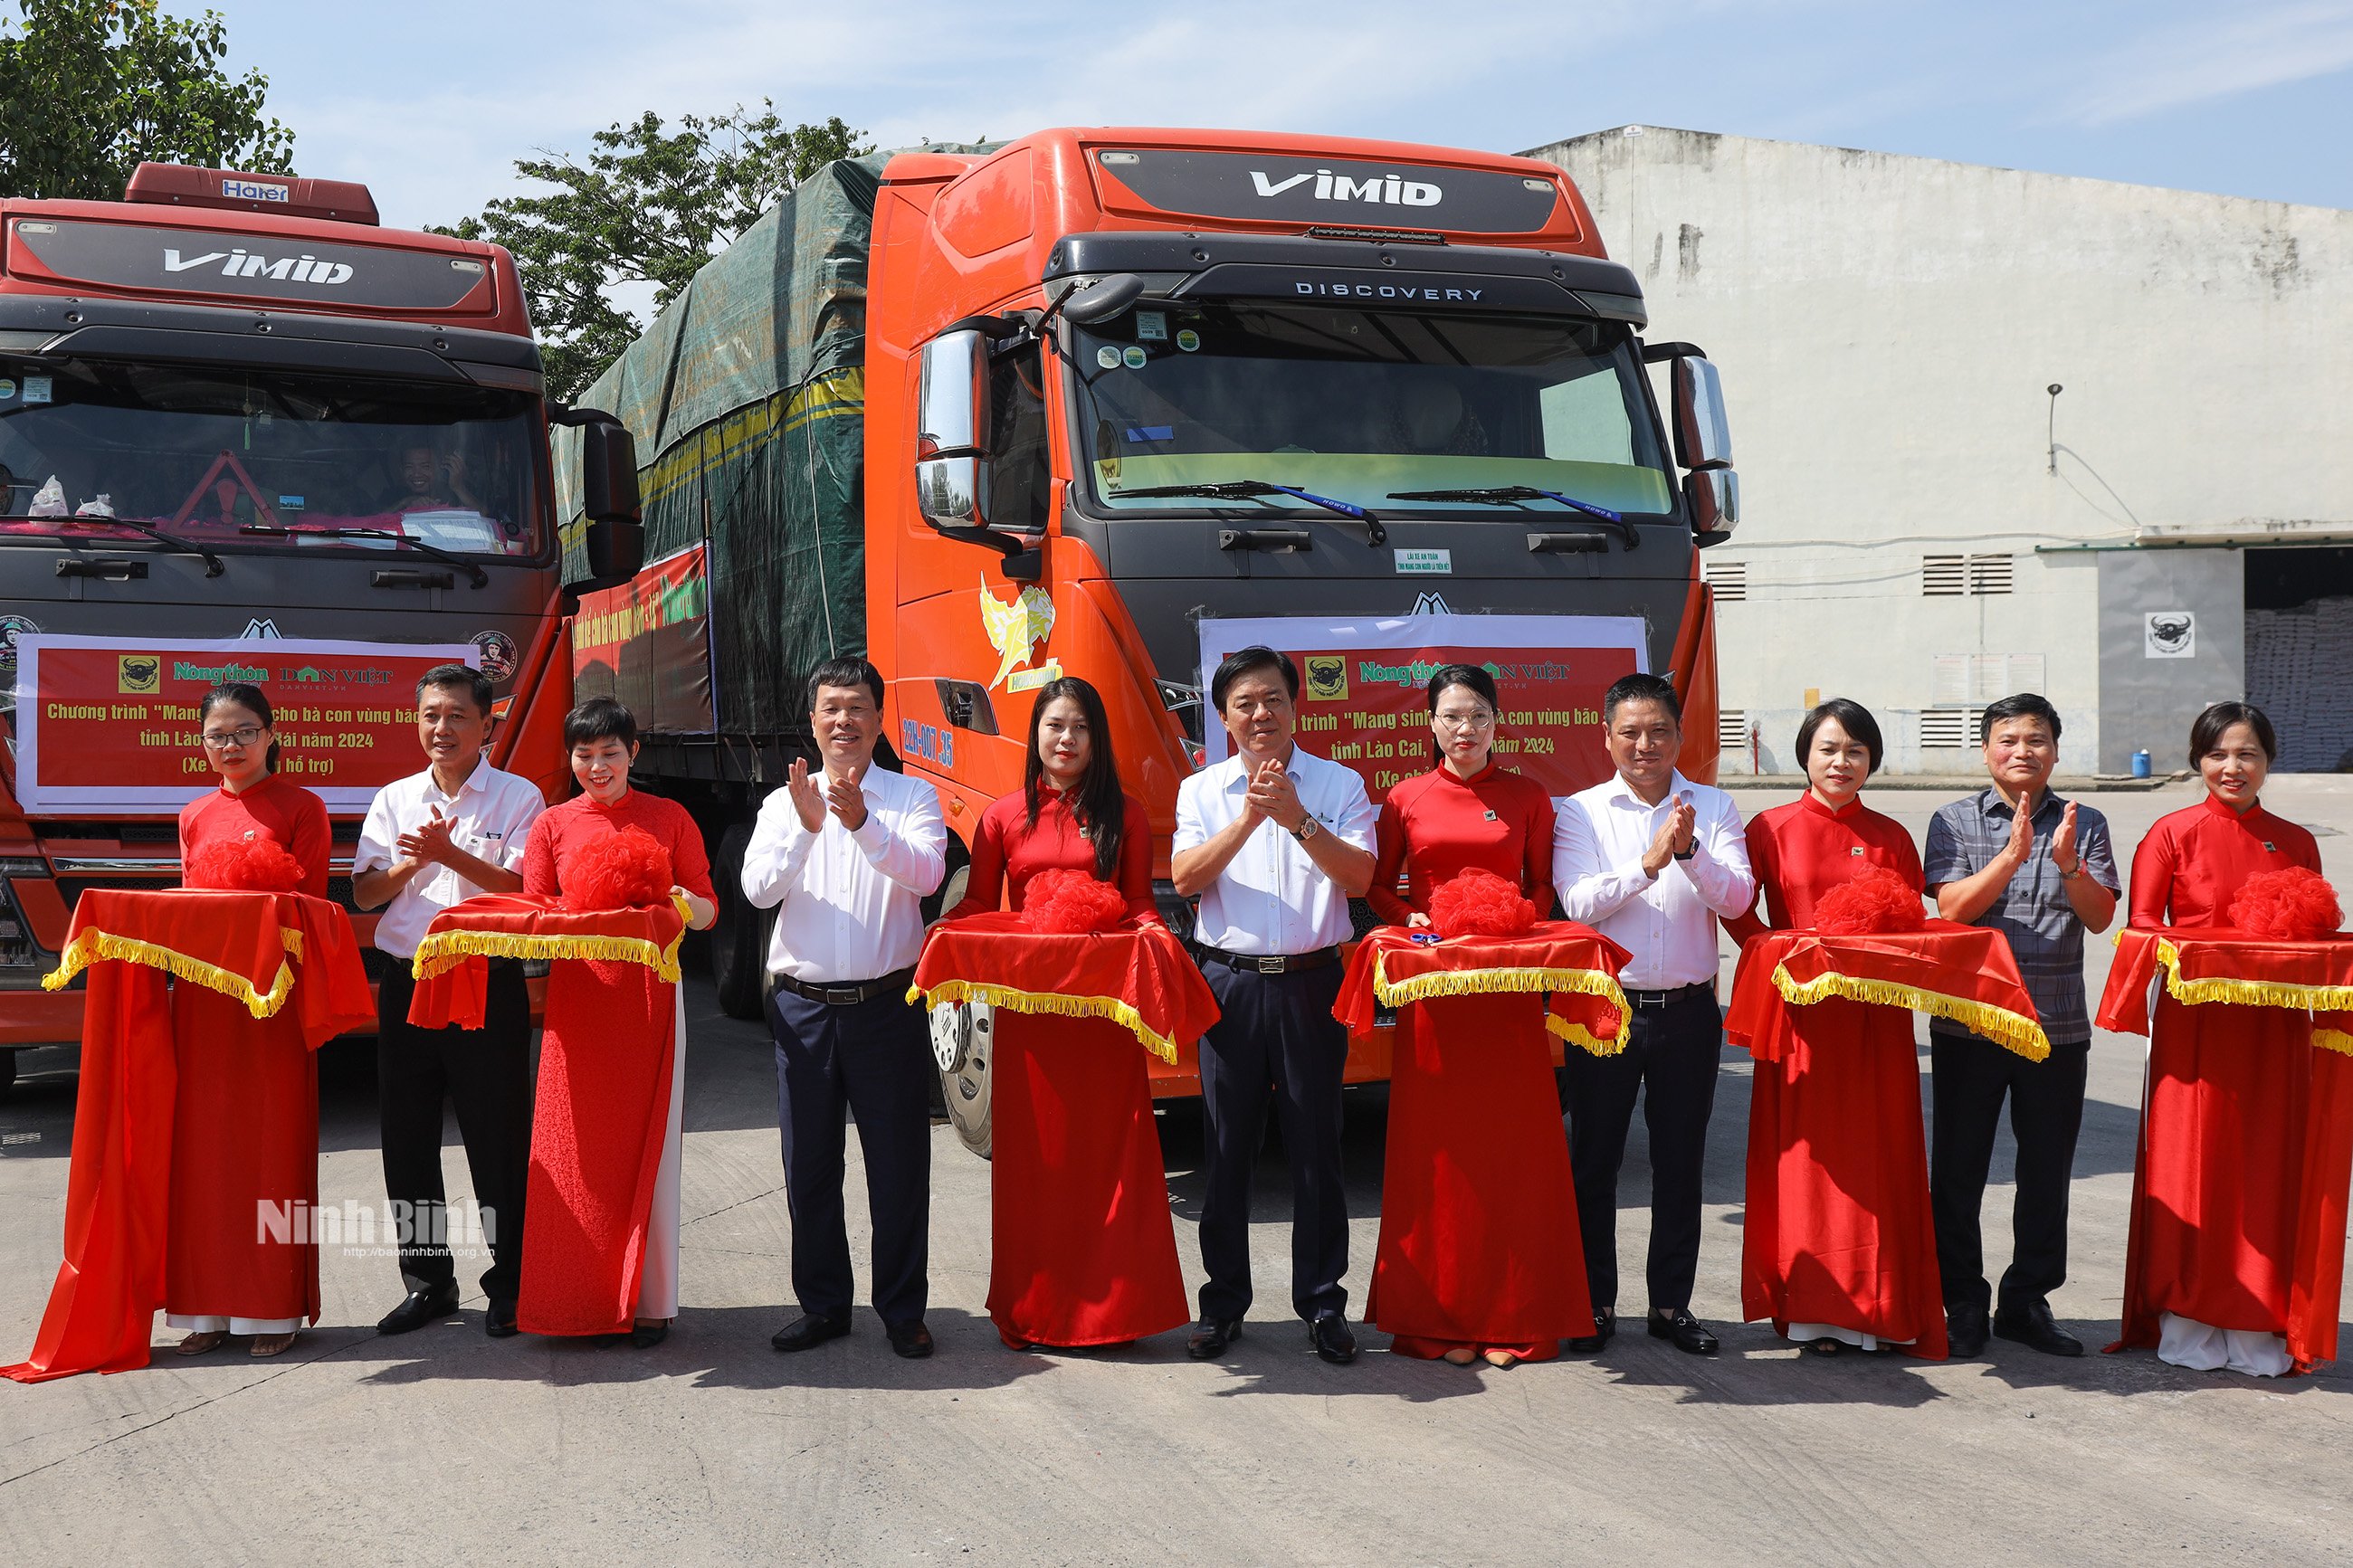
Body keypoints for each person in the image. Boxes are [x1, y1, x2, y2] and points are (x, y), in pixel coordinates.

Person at [944, 675, 1186, 1350]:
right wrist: (940, 936)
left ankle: (1114, 1313)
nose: (1066, 739)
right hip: (1031, 1021)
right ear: (1036, 736)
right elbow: (979, 908)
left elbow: (1138, 904)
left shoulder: (1126, 813)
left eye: (1079, 727)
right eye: (1054, 726)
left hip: (1102, 1018)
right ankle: (1034, 1309)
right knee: (1036, 1165)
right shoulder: (1000, 816)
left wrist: (1156, 937)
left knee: (1110, 1159)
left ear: (1095, 737)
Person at [1364, 663, 1586, 1368]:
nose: (1465, 729)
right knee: (1441, 1160)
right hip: (1437, 999)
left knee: (1512, 1154)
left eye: (1478, 715)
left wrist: (1517, 921)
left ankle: (1513, 1313)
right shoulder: (1404, 797)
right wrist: (1415, 915)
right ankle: (1442, 1319)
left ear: (1498, 721)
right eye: (1452, 716)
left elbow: (1545, 884)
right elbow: (1377, 886)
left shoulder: (1527, 795)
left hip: (1508, 997)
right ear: (1430, 724)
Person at [2117, 702, 2337, 1376]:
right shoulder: (2169, 832)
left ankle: (2261, 1319)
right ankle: (2190, 1313)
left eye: (2247, 754)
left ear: (2268, 760)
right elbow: (2144, 928)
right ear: (2198, 759)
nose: (2231, 767)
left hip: (2274, 1031)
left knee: (2267, 1164)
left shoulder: (2295, 839)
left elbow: (2319, 941)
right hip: (2198, 1027)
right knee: (2194, 1166)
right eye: (2217, 754)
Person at [1174, 646, 1377, 1365]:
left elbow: (1359, 880)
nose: (1261, 714)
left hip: (1310, 982)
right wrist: (1249, 822)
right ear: (1225, 716)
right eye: (1244, 703)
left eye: (1273, 700)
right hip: (1228, 984)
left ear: (1297, 705)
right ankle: (1223, 1303)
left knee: (1317, 1149)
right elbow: (1185, 877)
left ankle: (1323, 1305)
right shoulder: (1201, 790)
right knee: (1226, 1149)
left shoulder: (1339, 783)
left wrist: (1297, 818)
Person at [1724, 699, 1943, 1356]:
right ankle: (1813, 1307)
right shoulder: (1770, 826)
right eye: (1828, 749)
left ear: (1871, 759)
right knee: (1808, 1163)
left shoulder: (1892, 836)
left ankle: (1878, 1306)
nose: (1841, 762)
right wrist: (1773, 953)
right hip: (1802, 1019)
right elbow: (1738, 909)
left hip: (1876, 1021)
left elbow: (1912, 929)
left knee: (1877, 1158)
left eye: (1855, 750)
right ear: (1804, 755)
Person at [742, 658, 947, 1360]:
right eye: (831, 708)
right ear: (812, 721)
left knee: (897, 1166)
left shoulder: (913, 795)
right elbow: (757, 892)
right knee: (810, 1165)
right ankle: (825, 1305)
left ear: (879, 720)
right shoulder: (780, 804)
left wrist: (862, 825)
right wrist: (806, 827)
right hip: (803, 1011)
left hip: (887, 1007)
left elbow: (926, 874)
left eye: (858, 708)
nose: (844, 721)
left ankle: (901, 1309)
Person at [1553, 670, 1755, 1356]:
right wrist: (1648, 862)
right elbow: (1578, 903)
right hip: (1605, 1011)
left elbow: (1735, 899)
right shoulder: (1578, 811)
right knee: (1595, 1160)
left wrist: (1690, 851)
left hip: (1690, 1013)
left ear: (1680, 736)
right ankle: (1592, 1301)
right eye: (1631, 731)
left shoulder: (1715, 807)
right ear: (1605, 736)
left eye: (1659, 730)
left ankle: (1671, 1304)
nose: (1646, 744)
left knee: (1680, 1161)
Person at [353, 664, 545, 1341]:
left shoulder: (519, 797)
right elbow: (367, 895)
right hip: (407, 977)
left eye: (457, 715)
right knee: (406, 1137)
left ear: (487, 723)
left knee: (497, 1135)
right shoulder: (394, 797)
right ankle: (428, 1281)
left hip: (483, 977)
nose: (442, 728)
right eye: (431, 714)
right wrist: (415, 861)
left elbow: (523, 887)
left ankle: (513, 1281)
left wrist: (449, 854)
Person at [1924, 692, 2118, 1359]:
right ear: (1986, 750)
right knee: (1958, 1168)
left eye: (2037, 740)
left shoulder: (2085, 821)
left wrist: (2065, 862)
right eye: (2008, 739)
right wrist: (2010, 857)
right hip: (1970, 1025)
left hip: (2056, 1026)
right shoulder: (1952, 820)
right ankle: (1961, 1300)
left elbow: (2098, 917)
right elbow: (1949, 911)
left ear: (2056, 751)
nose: (2023, 751)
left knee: (2046, 1170)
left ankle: (2026, 1300)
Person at [518, 698, 717, 1347]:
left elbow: (710, 907)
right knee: (575, 1151)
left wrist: (678, 906)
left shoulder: (669, 818)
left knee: (650, 1151)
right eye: (584, 754)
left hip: (652, 999)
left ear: (634, 751)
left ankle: (651, 1300)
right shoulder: (551, 825)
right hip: (579, 1005)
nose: (597, 766)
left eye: (609, 752)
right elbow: (535, 913)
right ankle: (576, 1294)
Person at [168, 683, 333, 1359]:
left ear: (270, 734)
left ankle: (271, 1308)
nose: (229, 745)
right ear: (201, 743)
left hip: (272, 996)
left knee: (270, 1145)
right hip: (206, 1001)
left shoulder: (303, 807)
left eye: (243, 731)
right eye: (216, 735)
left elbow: (315, 910)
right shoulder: (193, 813)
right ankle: (202, 1309)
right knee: (203, 1153)